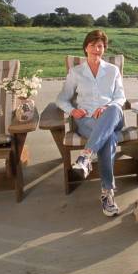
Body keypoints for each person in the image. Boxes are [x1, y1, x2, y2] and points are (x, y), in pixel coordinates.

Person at [56, 30, 125, 216]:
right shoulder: (76, 72)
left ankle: (86, 155)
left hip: (112, 116)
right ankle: (107, 194)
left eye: (100, 46)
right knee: (108, 140)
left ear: (104, 49)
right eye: (93, 45)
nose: (97, 49)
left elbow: (120, 98)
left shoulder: (113, 70)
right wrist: (72, 110)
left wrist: (107, 107)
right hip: (86, 120)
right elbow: (61, 99)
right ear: (86, 47)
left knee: (112, 109)